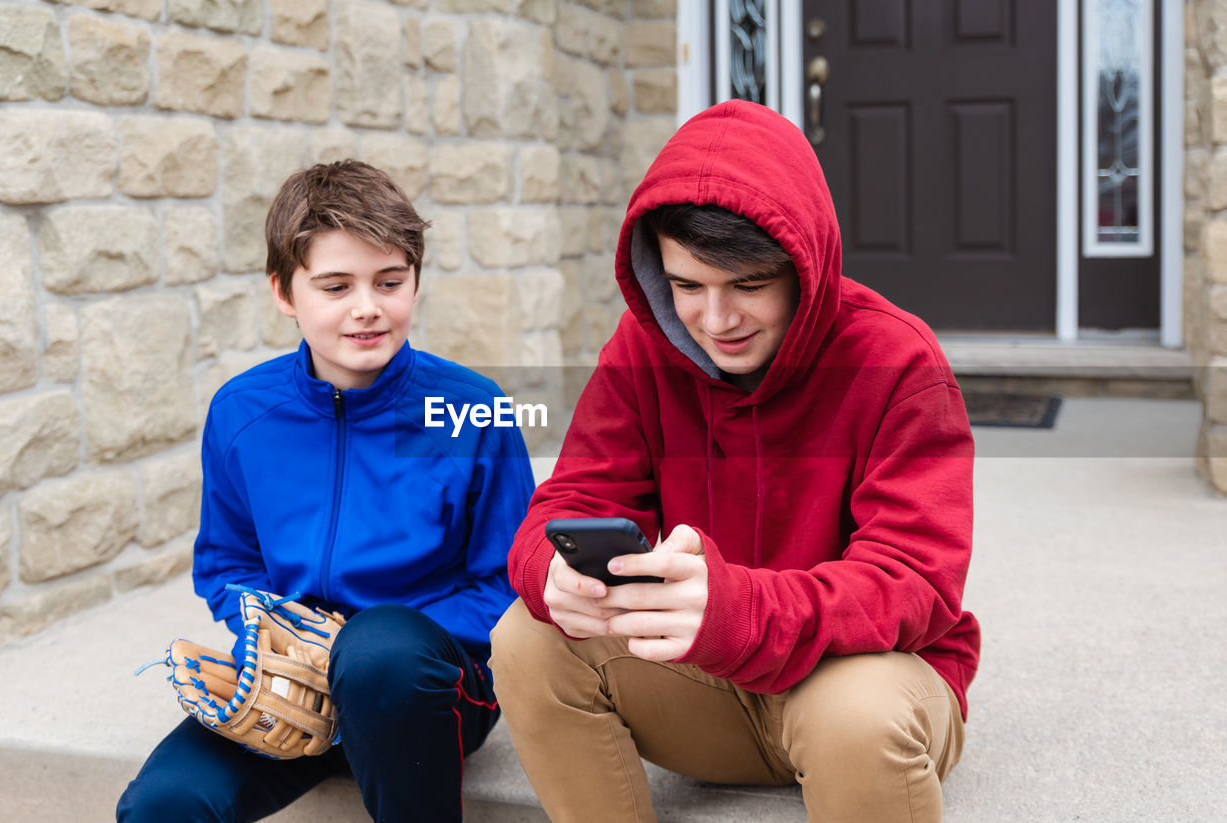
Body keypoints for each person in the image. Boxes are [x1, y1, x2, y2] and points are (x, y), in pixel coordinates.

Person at [490, 100, 979, 823]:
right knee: (524, 640)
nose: (716, 320)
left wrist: (737, 609)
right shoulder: (641, 349)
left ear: (803, 265)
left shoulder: (898, 361)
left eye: (748, 284)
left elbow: (912, 582)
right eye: (687, 286)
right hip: (707, 679)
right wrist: (551, 572)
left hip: (853, 679)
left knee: (856, 717)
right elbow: (571, 500)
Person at [118, 160, 535, 822]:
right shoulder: (240, 413)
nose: (366, 307)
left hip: (428, 682)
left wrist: (353, 648)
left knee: (380, 654)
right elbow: (227, 561)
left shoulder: (471, 408)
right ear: (285, 291)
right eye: (335, 285)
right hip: (291, 682)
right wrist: (278, 636)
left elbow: (510, 582)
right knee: (162, 806)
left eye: (389, 281)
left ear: (415, 281)